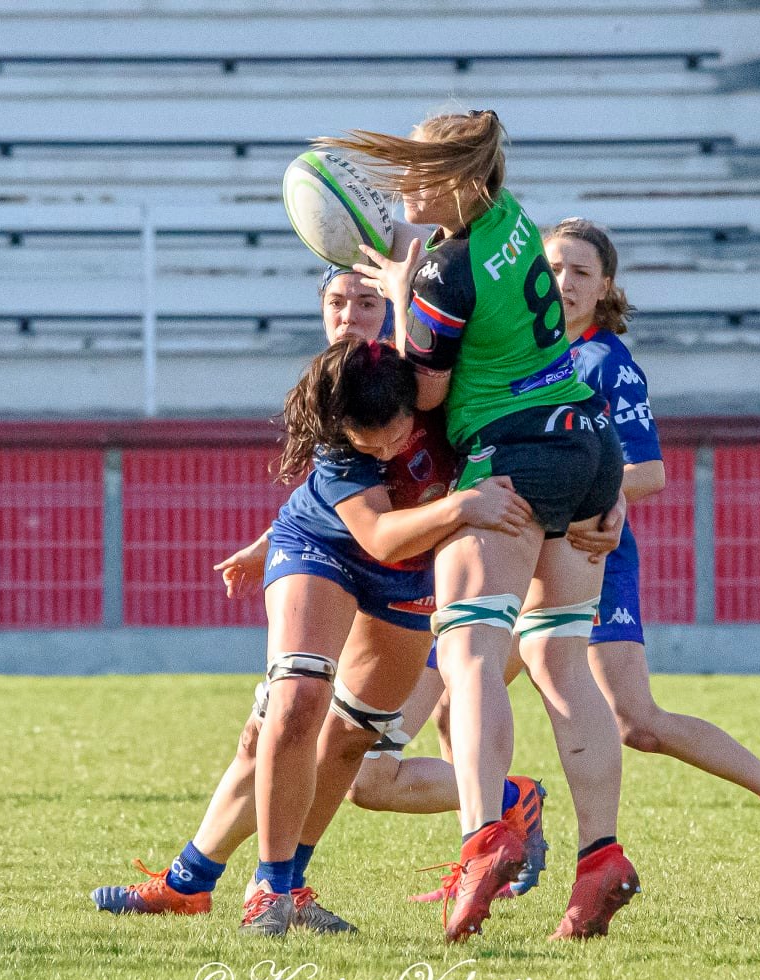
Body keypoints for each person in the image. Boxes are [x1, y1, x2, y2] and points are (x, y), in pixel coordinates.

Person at [91, 332, 544, 937]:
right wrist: (463, 505)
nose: (383, 447)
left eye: (394, 432)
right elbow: (380, 535)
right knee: (297, 702)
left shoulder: (439, 395)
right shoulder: (336, 444)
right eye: (368, 439)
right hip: (322, 549)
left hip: (406, 579)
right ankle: (268, 890)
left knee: (352, 741)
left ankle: (250, 885)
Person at [325, 109, 635, 941]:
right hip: (588, 447)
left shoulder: (445, 272)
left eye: (418, 173)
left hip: (512, 460)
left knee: (467, 656)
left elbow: (421, 395)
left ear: (462, 178)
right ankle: (600, 857)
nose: (403, 189)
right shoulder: (512, 224)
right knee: (562, 662)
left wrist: (399, 299)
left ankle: (481, 841)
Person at [544, 218, 760, 871]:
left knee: (636, 722)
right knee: (460, 692)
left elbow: (649, 473)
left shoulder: (604, 362)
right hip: (523, 554)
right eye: (554, 268)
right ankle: (501, 839)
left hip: (588, 556)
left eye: (580, 272)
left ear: (605, 287)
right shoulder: (523, 354)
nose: (563, 282)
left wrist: (562, 495)